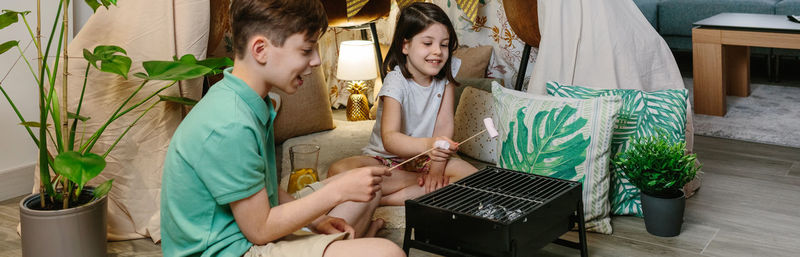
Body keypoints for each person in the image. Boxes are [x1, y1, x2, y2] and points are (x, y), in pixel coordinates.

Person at [160, 0, 405, 256]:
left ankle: (346, 240)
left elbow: (263, 187)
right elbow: (260, 230)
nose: (317, 61)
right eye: (307, 50)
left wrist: (318, 221)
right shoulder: (230, 123)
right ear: (260, 49)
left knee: (366, 189)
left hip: (252, 228)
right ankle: (355, 241)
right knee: (388, 252)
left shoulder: (249, 99)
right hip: (234, 248)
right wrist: (336, 192)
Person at [327, 2, 478, 206]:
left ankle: (385, 199)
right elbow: (390, 139)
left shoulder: (445, 76)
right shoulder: (395, 81)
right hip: (386, 161)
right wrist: (428, 145)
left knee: (474, 178)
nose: (438, 52)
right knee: (338, 171)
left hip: (427, 159)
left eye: (444, 44)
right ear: (405, 45)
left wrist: (436, 167)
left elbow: (444, 126)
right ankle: (419, 186)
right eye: (427, 43)